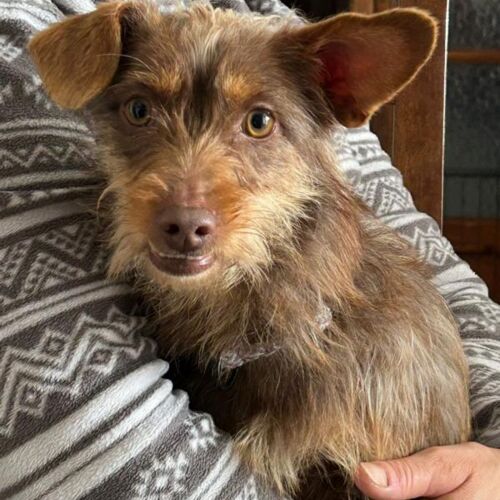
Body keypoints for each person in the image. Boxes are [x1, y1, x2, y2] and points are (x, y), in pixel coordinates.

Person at [0, 1, 498, 498]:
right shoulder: (25, 33)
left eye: (258, 123)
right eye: (141, 111)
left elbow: (440, 266)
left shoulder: (273, 20)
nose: (187, 211)